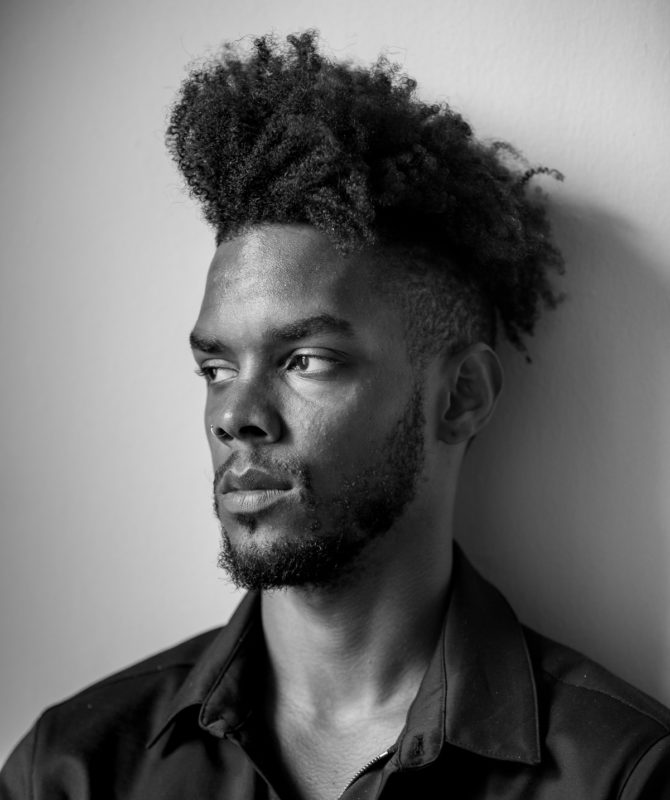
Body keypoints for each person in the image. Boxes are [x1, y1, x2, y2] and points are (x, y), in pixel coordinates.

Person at [2, 30, 669, 800]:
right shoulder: (73, 769)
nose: (236, 416)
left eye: (305, 361)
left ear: (460, 398)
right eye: (216, 368)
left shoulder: (621, 776)